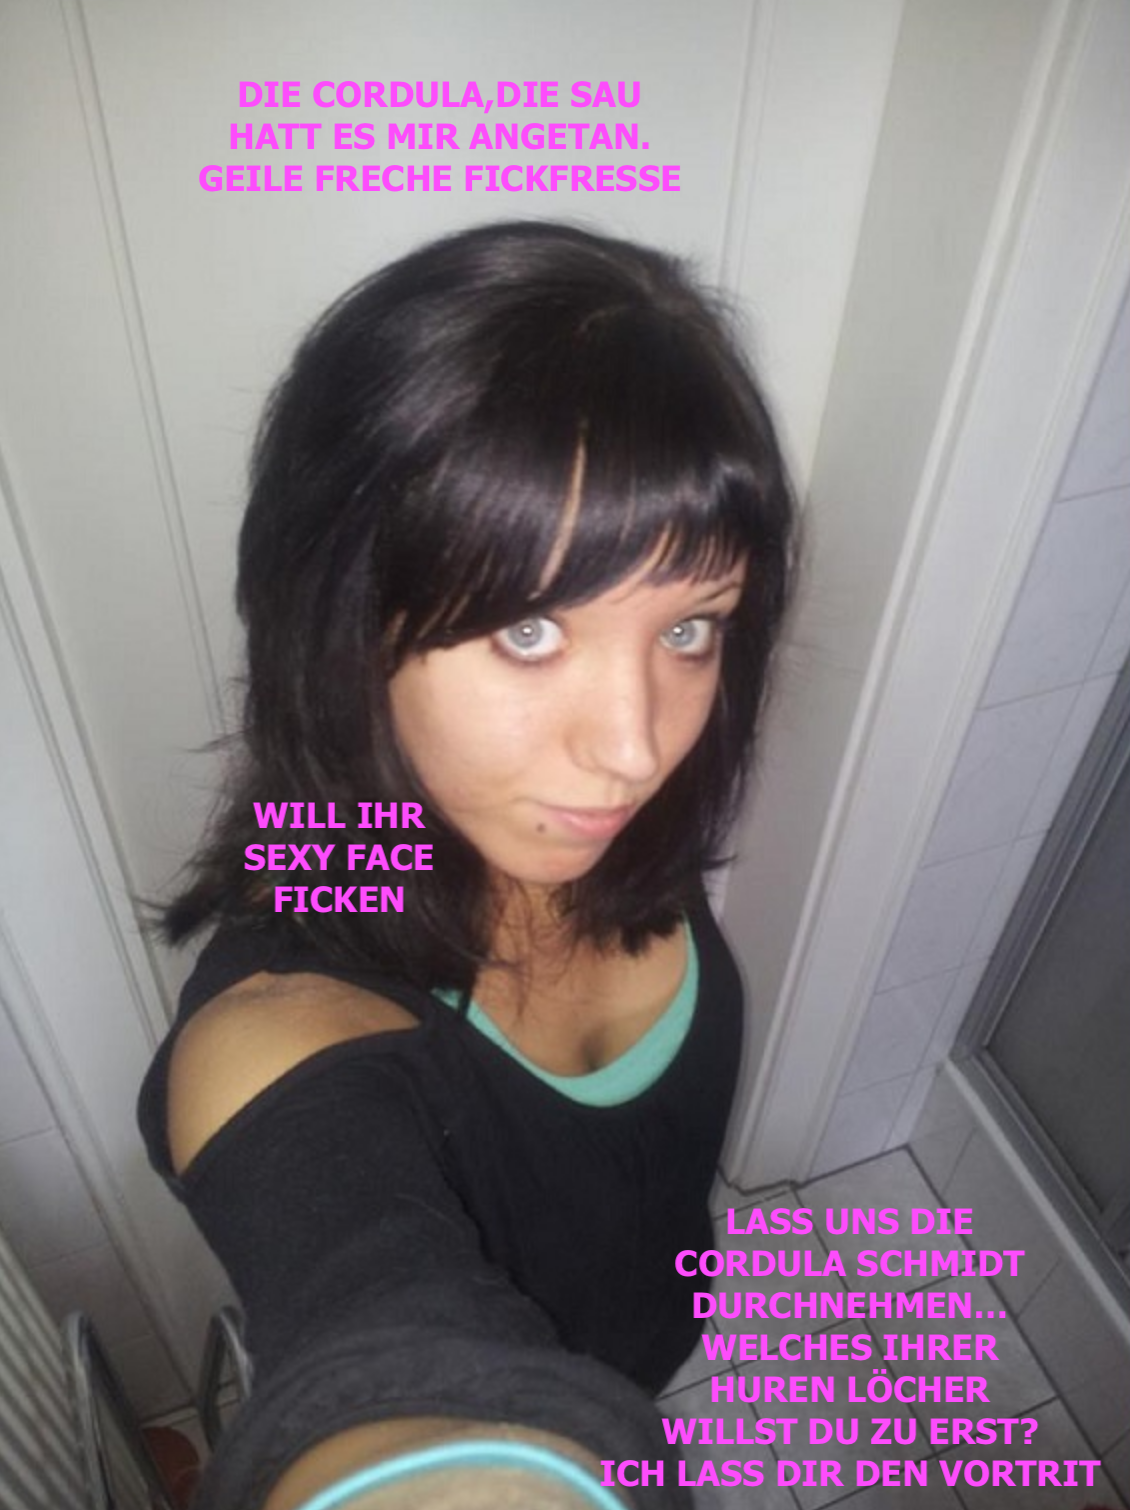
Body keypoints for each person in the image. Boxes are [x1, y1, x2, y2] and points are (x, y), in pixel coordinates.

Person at [138, 221, 796, 1510]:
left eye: (690, 628)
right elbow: (365, 1317)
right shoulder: (284, 1019)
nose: (635, 748)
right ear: (345, 620)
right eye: (531, 629)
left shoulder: (580, 822)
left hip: (655, 1337)